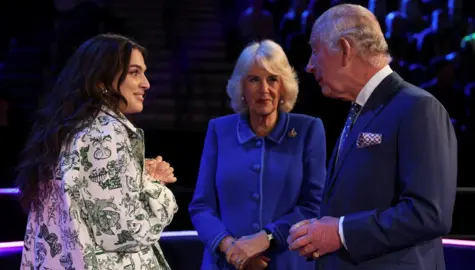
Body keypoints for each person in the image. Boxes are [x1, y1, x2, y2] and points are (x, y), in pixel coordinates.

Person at [287, 4, 457, 270]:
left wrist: (341, 233)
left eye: (315, 51)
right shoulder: (360, 110)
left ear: (344, 50)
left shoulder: (418, 107)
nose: (309, 65)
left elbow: (429, 214)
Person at [16, 33, 178, 270]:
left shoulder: (64, 131)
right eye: (134, 72)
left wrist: (138, 179)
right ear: (101, 82)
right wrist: (156, 185)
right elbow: (126, 231)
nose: (146, 83)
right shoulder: (107, 133)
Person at [188, 40, 326, 270]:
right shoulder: (219, 130)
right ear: (241, 88)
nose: (264, 89)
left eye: (272, 79)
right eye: (254, 80)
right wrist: (231, 248)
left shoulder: (308, 130)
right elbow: (201, 206)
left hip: (287, 262)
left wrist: (266, 238)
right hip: (226, 263)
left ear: (284, 86)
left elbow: (314, 205)